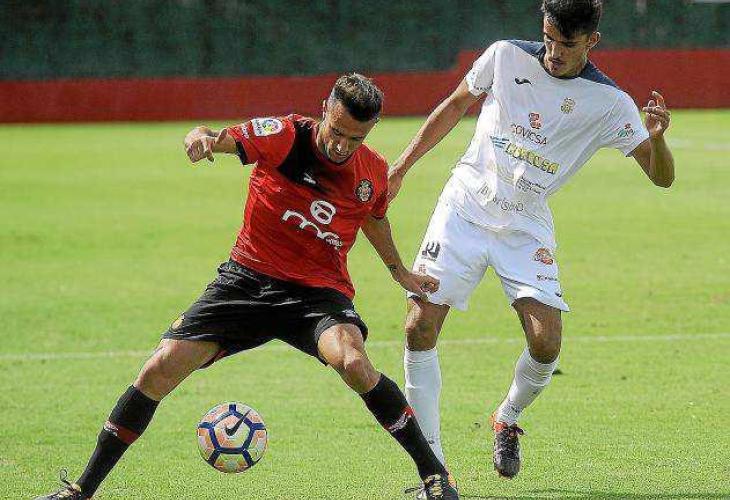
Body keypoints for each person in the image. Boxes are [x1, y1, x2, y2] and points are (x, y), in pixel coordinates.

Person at [36, 74, 459, 500]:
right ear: (324, 109)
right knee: (159, 368)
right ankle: (81, 491)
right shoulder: (284, 135)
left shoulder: (372, 172)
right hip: (246, 281)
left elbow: (373, 218)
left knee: (353, 363)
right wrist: (199, 138)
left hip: (317, 293)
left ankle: (435, 476)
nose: (341, 146)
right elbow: (215, 136)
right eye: (337, 131)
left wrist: (399, 272)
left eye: (356, 138)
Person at [388, 0, 674, 481]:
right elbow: (456, 104)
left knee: (546, 343)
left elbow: (661, 177)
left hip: (525, 223)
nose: (553, 52)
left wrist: (658, 138)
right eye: (548, 38)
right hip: (464, 207)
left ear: (592, 41)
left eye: (566, 44)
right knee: (419, 325)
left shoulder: (610, 103)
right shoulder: (504, 55)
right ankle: (433, 468)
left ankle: (507, 417)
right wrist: (400, 167)